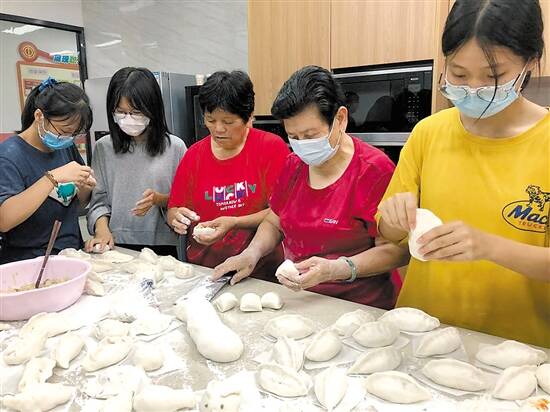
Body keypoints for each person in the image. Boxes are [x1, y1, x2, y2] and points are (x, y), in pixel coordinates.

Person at [376, 0, 550, 346]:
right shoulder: (428, 133)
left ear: (530, 61)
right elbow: (387, 231)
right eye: (458, 74)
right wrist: (394, 219)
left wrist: (490, 246)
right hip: (420, 336)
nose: (473, 88)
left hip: (517, 351)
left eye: (493, 76)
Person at [214, 66, 409, 308]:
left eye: (310, 135)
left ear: (340, 119)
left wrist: (337, 269)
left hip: (360, 306)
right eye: (294, 137)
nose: (302, 145)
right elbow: (274, 221)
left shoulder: (373, 171)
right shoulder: (293, 165)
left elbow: (396, 250)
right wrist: (251, 253)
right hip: (302, 300)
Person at [167, 71, 290, 278]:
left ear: (249, 117)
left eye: (228, 121)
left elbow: (282, 212)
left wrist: (234, 222)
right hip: (206, 270)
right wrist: (176, 218)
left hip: (261, 271)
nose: (218, 129)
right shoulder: (194, 155)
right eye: (210, 120)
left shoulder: (271, 148)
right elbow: (174, 208)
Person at [85, 67, 187, 257]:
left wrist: (159, 199)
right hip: (115, 245)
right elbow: (98, 202)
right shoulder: (103, 147)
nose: (128, 119)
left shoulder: (175, 147)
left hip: (162, 246)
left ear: (152, 109)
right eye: (121, 112)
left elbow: (185, 200)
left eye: (136, 112)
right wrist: (102, 230)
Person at [0, 78, 95, 263]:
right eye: (64, 131)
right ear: (39, 116)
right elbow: (4, 220)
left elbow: (77, 204)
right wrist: (51, 178)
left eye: (75, 134)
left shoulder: (65, 147)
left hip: (70, 254)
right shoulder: (9, 155)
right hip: (28, 262)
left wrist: (85, 187)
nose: (68, 138)